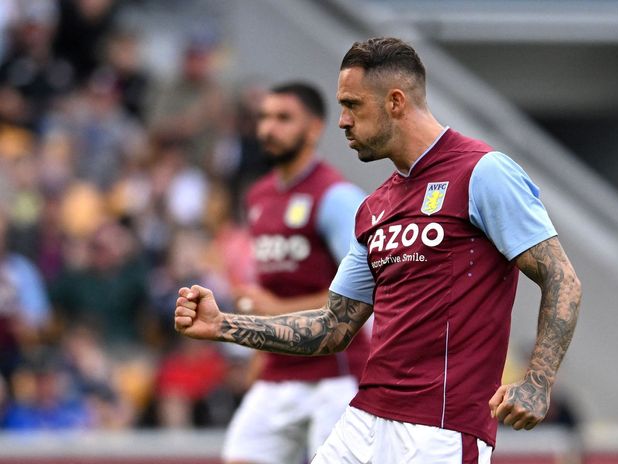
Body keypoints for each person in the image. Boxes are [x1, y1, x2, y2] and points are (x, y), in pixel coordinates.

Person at [175, 37, 582, 463]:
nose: (342, 121)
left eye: (352, 105)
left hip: (440, 429)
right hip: (364, 420)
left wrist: (538, 381)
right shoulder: (375, 206)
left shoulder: (482, 172)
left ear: (395, 102)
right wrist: (222, 325)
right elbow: (333, 326)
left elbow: (562, 279)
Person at [219, 82, 370, 464]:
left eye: (283, 118)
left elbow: (369, 290)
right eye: (264, 118)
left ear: (315, 128)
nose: (269, 128)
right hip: (277, 371)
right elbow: (271, 289)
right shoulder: (258, 197)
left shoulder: (335, 196)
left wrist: (274, 309)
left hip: (335, 375)